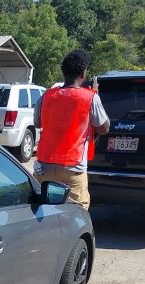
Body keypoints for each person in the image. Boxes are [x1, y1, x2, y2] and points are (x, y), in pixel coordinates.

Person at [34, 49, 110, 210]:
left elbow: (37, 124)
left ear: (64, 72)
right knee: (78, 213)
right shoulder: (90, 97)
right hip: (72, 168)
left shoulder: (46, 95)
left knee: (42, 209)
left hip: (44, 166)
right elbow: (104, 128)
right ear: (83, 74)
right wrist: (95, 94)